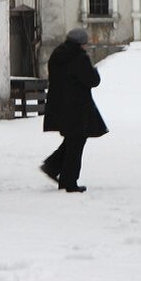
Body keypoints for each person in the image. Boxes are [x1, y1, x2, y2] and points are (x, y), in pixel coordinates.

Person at [41, 28, 107, 192]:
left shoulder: (58, 54)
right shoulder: (79, 57)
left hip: (60, 106)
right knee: (76, 143)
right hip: (78, 108)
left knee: (72, 140)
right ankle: (68, 181)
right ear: (81, 43)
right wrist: (95, 71)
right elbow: (92, 80)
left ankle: (52, 166)